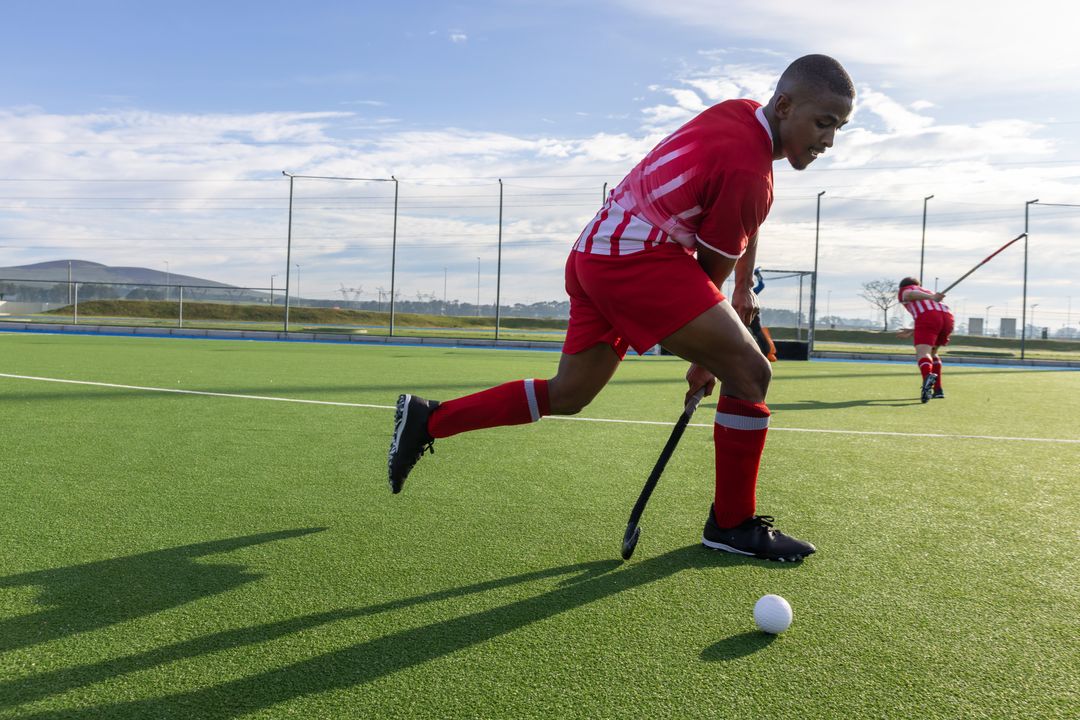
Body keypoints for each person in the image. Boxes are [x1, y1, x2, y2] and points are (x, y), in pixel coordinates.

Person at [388, 55, 855, 562]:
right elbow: (709, 271)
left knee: (569, 393)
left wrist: (744, 291)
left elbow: (741, 219)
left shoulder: (739, 114)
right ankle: (732, 523)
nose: (828, 141)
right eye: (823, 123)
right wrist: (711, 356)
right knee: (750, 372)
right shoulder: (749, 170)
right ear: (785, 105)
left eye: (838, 128)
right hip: (638, 260)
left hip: (595, 250)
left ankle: (428, 420)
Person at [896, 278, 954, 403]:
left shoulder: (905, 290)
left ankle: (927, 380)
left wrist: (932, 297)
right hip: (947, 317)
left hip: (928, 316)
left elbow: (909, 295)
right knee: (933, 353)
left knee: (923, 353)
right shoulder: (927, 290)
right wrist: (913, 330)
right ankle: (938, 390)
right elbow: (934, 317)